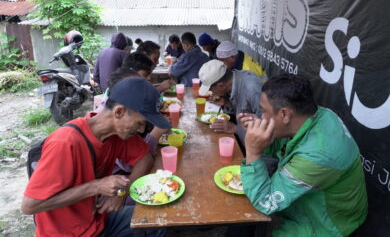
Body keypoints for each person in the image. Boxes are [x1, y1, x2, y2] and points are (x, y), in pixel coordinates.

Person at [21, 77, 170, 236]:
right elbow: (29, 206)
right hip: (70, 233)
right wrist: (96, 186)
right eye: (140, 123)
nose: (141, 130)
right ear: (119, 112)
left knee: (158, 219)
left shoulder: (118, 134)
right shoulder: (65, 142)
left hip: (100, 221)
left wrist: (124, 190)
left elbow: (145, 158)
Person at [238, 74, 368, 237]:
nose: (262, 117)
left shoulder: (319, 154)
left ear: (285, 114)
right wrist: (263, 134)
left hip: (324, 225)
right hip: (305, 206)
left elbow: (267, 202)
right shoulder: (316, 115)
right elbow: (284, 149)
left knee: (246, 216)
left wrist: (253, 151)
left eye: (264, 111)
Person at [198, 59, 264, 145]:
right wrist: (227, 103)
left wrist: (235, 128)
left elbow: (266, 129)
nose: (211, 93)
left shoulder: (252, 91)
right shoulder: (235, 80)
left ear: (221, 85)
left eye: (211, 89)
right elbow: (245, 110)